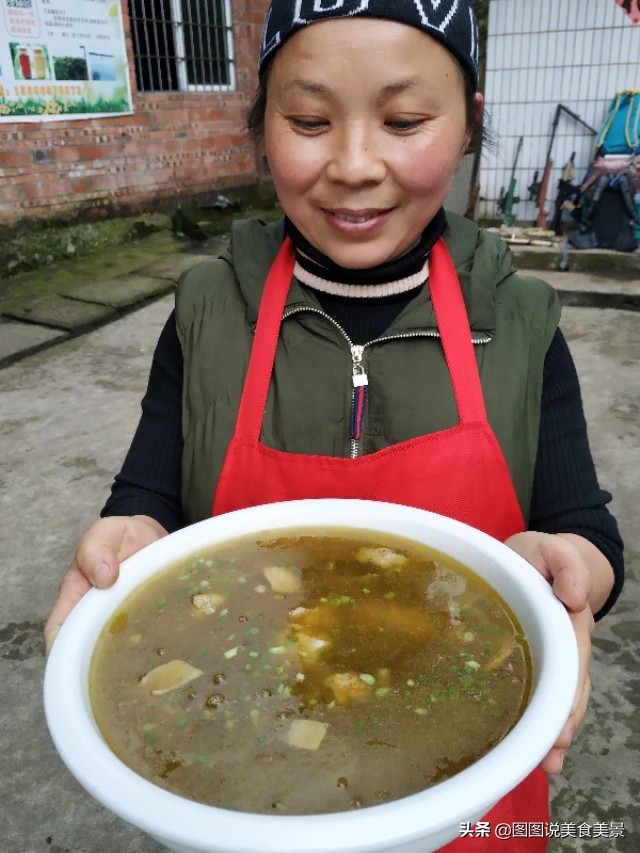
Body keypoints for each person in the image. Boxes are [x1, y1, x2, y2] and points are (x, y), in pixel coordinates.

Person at [45, 0, 623, 848]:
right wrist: (126, 537)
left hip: (474, 793)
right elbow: (148, 498)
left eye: (404, 120)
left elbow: (587, 534)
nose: (354, 165)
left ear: (469, 125)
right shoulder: (208, 312)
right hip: (241, 787)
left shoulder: (522, 320)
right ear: (262, 129)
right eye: (310, 121)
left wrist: (572, 569)